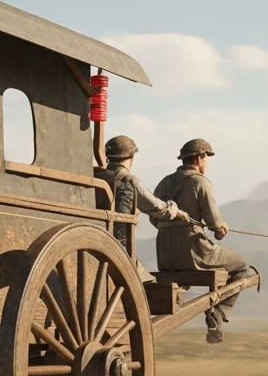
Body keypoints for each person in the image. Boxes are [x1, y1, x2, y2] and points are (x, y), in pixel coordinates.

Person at [154, 139, 252, 344]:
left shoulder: (164, 182)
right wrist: (220, 227)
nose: (206, 163)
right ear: (199, 158)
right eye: (206, 158)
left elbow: (154, 217)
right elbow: (214, 222)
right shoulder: (201, 182)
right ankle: (218, 313)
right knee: (242, 268)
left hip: (164, 256)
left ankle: (176, 295)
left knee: (179, 276)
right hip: (193, 252)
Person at [102, 135, 189, 282]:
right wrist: (176, 210)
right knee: (151, 283)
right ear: (132, 157)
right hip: (119, 246)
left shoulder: (99, 177)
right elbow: (156, 206)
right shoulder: (128, 181)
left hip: (98, 238)